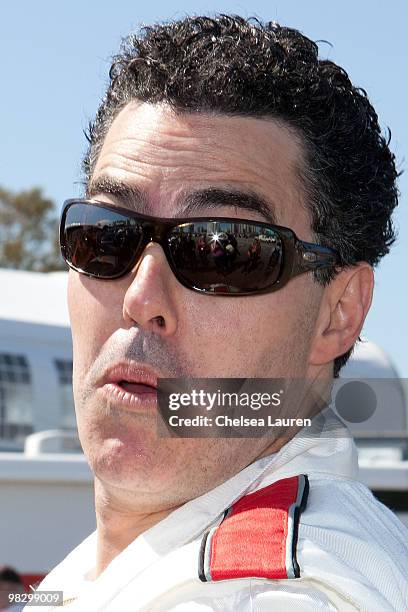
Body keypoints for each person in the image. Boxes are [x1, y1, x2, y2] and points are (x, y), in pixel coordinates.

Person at [29, 15, 407, 611]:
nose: (141, 298)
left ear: (339, 312)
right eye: (106, 235)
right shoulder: (111, 572)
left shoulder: (276, 594)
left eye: (222, 251)